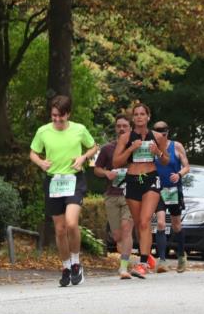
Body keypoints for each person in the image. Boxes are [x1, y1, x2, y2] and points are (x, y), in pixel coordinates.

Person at [29, 95, 97, 287]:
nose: (57, 120)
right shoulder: (43, 131)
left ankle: (76, 264)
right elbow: (33, 153)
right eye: (54, 116)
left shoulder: (79, 130)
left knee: (71, 223)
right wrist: (41, 162)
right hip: (54, 181)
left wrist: (83, 157)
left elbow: (93, 147)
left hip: (74, 180)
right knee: (59, 230)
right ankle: (66, 267)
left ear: (68, 114)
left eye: (61, 116)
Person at [113, 102, 169, 278]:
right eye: (136, 114)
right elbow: (116, 162)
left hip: (150, 178)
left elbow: (167, 161)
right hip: (133, 179)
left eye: (142, 114)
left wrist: (158, 153)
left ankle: (143, 264)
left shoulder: (158, 137)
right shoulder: (125, 138)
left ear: (148, 117)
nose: (139, 117)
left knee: (145, 221)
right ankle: (148, 257)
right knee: (139, 224)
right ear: (133, 118)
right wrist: (131, 148)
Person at [93, 114, 136, 279]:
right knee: (117, 235)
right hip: (111, 195)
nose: (121, 129)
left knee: (127, 230)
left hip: (130, 195)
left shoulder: (136, 147)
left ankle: (123, 268)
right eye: (119, 126)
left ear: (130, 128)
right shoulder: (107, 149)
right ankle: (125, 258)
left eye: (125, 125)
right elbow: (96, 169)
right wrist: (106, 173)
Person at [152, 121, 191, 273]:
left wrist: (179, 174)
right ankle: (162, 261)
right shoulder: (151, 148)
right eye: (157, 131)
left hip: (173, 190)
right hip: (158, 190)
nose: (161, 133)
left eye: (164, 131)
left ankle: (181, 256)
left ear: (168, 132)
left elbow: (187, 165)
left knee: (176, 225)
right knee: (161, 223)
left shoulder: (176, 146)